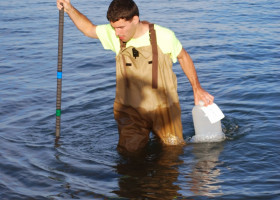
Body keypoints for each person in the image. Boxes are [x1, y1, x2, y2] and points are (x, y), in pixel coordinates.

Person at [57, 0, 214, 154]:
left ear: (135, 20)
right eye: (114, 28)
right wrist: (69, 8)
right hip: (130, 110)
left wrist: (196, 88)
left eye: (121, 27)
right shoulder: (115, 35)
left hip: (164, 109)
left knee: (172, 152)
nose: (117, 33)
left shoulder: (163, 35)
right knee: (129, 155)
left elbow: (183, 56)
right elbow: (89, 29)